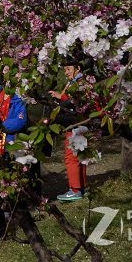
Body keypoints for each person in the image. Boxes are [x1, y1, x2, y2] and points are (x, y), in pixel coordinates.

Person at [0, 84, 29, 242]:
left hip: (12, 143)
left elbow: (20, 119)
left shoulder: (18, 98)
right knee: (0, 178)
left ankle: (16, 213)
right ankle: (4, 217)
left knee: (15, 178)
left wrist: (2, 127)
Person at [52, 64, 89, 202]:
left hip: (75, 123)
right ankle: (81, 187)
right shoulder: (77, 82)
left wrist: (60, 103)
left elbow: (72, 102)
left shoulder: (78, 83)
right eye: (65, 70)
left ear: (78, 68)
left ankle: (75, 190)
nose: (66, 72)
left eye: (69, 69)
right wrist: (59, 96)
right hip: (81, 123)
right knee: (80, 155)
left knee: (71, 157)